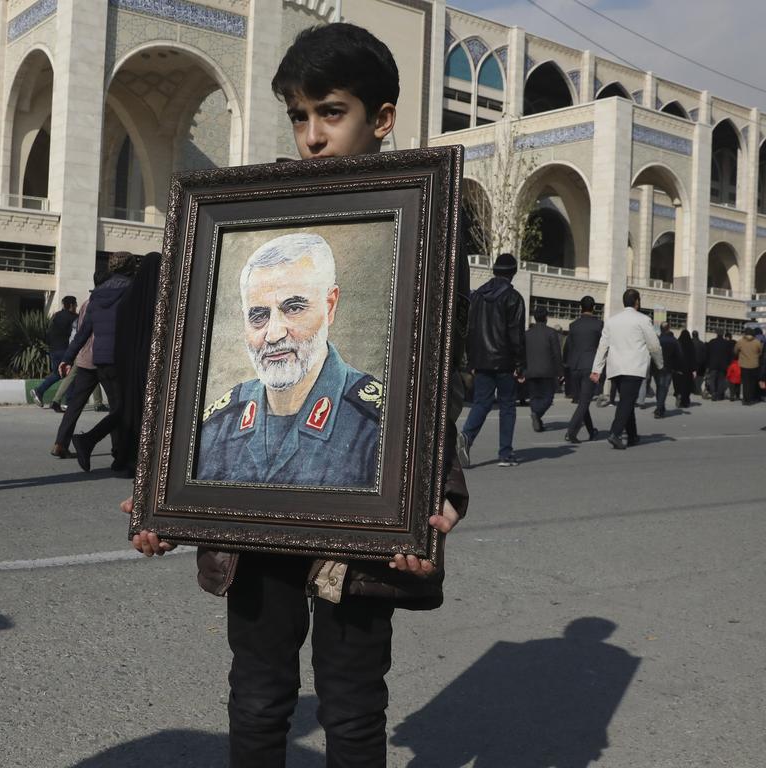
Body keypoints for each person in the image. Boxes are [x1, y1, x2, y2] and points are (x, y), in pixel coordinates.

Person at [128, 24, 469, 767]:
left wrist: (435, 496)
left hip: (364, 536)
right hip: (254, 544)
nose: (313, 136)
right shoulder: (245, 209)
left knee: (349, 706)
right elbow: (177, 367)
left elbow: (441, 376)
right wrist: (159, 493)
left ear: (381, 118)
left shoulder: (428, 224)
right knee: (256, 694)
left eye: (332, 113)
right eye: (299, 115)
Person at [198, 233, 382, 486]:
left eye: (293, 308)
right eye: (258, 315)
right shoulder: (218, 425)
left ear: (329, 306)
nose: (273, 334)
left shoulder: (377, 426)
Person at [60, 251, 134, 471]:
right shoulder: (132, 290)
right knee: (124, 409)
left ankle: (120, 455)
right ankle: (92, 442)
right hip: (124, 360)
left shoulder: (97, 295)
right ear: (130, 267)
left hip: (101, 360)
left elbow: (83, 332)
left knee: (119, 408)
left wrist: (67, 358)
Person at [458, 252, 526, 467]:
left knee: (481, 403)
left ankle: (466, 436)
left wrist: (471, 361)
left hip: (481, 361)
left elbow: (469, 328)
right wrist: (520, 364)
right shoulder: (513, 298)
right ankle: (505, 454)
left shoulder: (478, 295)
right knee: (507, 406)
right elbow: (516, 334)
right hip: (504, 361)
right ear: (513, 273)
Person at [590, 289, 663, 450]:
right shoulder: (643, 320)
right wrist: (660, 364)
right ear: (637, 301)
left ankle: (633, 436)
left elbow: (603, 346)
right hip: (634, 368)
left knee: (626, 401)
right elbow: (654, 345)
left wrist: (597, 369)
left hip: (616, 368)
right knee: (627, 402)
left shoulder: (611, 321)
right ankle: (615, 433)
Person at [114, 251, 161, 477]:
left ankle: (125, 456)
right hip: (150, 366)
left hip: (126, 366)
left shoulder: (126, 301)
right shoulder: (161, 303)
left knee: (129, 410)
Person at [50, 295, 101, 458]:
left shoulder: (85, 305)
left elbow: (78, 333)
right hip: (104, 359)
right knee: (119, 406)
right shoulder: (116, 300)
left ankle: (60, 443)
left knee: (74, 405)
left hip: (82, 357)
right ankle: (119, 451)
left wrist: (69, 356)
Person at [563, 295, 603, 443]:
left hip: (575, 366)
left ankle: (591, 430)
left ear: (581, 307)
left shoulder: (573, 325)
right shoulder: (599, 325)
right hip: (590, 366)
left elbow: (569, 347)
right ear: (594, 307)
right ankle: (571, 432)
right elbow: (603, 346)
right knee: (585, 402)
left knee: (582, 400)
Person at [30, 295, 78, 407]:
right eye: (75, 304)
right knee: (70, 374)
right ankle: (68, 402)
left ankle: (39, 391)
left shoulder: (56, 316)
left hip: (53, 349)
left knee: (58, 373)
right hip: (64, 349)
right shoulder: (73, 317)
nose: (76, 306)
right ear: (71, 305)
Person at [523, 306, 562, 433]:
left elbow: (521, 353)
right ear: (546, 317)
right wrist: (560, 371)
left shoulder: (527, 334)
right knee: (548, 398)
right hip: (547, 371)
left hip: (530, 370)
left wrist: (521, 369)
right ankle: (537, 414)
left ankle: (537, 419)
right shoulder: (551, 333)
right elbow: (556, 354)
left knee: (534, 397)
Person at [653, 323, 679, 418]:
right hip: (668, 368)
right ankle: (659, 409)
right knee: (664, 388)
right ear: (668, 329)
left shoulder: (656, 340)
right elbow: (679, 356)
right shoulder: (674, 341)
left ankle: (660, 407)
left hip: (656, 368)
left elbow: (652, 353)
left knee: (659, 388)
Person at [733, 328, 763, 405]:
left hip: (744, 365)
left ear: (745, 333)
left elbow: (735, 351)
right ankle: (751, 399)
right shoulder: (757, 342)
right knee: (752, 383)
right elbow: (760, 352)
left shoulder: (740, 341)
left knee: (745, 382)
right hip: (754, 365)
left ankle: (745, 399)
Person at [704, 331, 731, 401]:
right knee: (721, 380)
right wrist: (728, 364)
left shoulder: (712, 342)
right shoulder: (726, 343)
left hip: (713, 364)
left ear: (716, 334)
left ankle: (713, 393)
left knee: (712, 379)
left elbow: (707, 353)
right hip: (723, 365)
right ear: (723, 334)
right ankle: (719, 394)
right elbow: (729, 354)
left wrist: (707, 364)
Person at [674, 329, 697, 408]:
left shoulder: (677, 343)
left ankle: (678, 395)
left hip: (678, 368)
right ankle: (685, 401)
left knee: (678, 384)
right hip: (688, 369)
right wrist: (694, 369)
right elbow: (693, 357)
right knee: (687, 385)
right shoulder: (691, 344)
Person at [691, 330, 707, 397]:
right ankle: (697, 390)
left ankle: (692, 389)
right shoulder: (701, 343)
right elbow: (705, 354)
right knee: (699, 378)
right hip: (700, 363)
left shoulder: (689, 342)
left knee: (692, 377)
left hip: (691, 363)